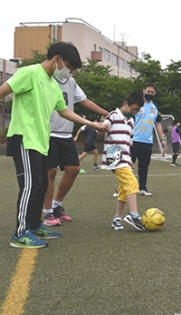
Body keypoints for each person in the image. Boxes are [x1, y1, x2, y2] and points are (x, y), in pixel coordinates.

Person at [0, 42, 106, 248]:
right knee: (30, 186)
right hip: (23, 138)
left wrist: (91, 123)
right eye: (69, 67)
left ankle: (35, 225)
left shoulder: (52, 84)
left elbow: (64, 111)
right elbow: (3, 91)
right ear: (57, 59)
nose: (70, 72)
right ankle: (20, 233)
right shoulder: (29, 72)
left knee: (40, 185)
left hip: (41, 142)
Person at [43, 77, 108, 228]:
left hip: (65, 134)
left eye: (73, 68)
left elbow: (85, 101)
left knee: (74, 169)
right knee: (50, 172)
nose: (71, 70)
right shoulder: (45, 78)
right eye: (69, 65)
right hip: (48, 132)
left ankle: (56, 205)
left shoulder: (71, 81)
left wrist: (110, 114)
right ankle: (47, 212)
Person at [99, 92, 146, 231]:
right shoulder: (112, 115)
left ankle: (117, 218)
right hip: (114, 155)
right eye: (133, 109)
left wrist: (129, 159)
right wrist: (101, 130)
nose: (135, 113)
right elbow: (101, 131)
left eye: (137, 111)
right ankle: (134, 215)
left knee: (124, 189)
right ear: (126, 104)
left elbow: (128, 142)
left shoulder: (131, 121)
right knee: (132, 183)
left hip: (124, 157)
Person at [130, 82, 166, 196]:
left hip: (147, 142)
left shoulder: (155, 108)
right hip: (133, 140)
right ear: (143, 91)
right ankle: (121, 188)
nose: (149, 94)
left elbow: (158, 124)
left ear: (155, 93)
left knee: (144, 167)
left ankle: (143, 188)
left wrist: (163, 139)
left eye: (152, 92)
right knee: (127, 166)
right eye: (148, 91)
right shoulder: (136, 104)